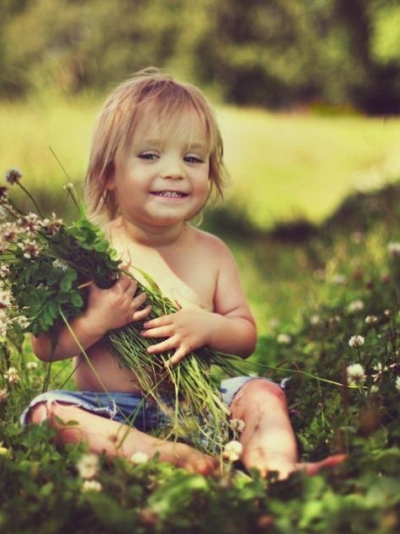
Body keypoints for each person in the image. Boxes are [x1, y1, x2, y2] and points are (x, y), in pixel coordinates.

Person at [21, 68, 345, 479]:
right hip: (107, 409)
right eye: (150, 156)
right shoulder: (90, 252)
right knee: (48, 414)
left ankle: (275, 467)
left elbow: (245, 335)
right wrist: (98, 321)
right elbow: (44, 347)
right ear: (108, 173)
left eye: (192, 159)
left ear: (209, 172)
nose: (175, 171)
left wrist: (207, 326)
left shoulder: (212, 253)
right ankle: (163, 454)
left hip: (197, 407)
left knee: (261, 393)